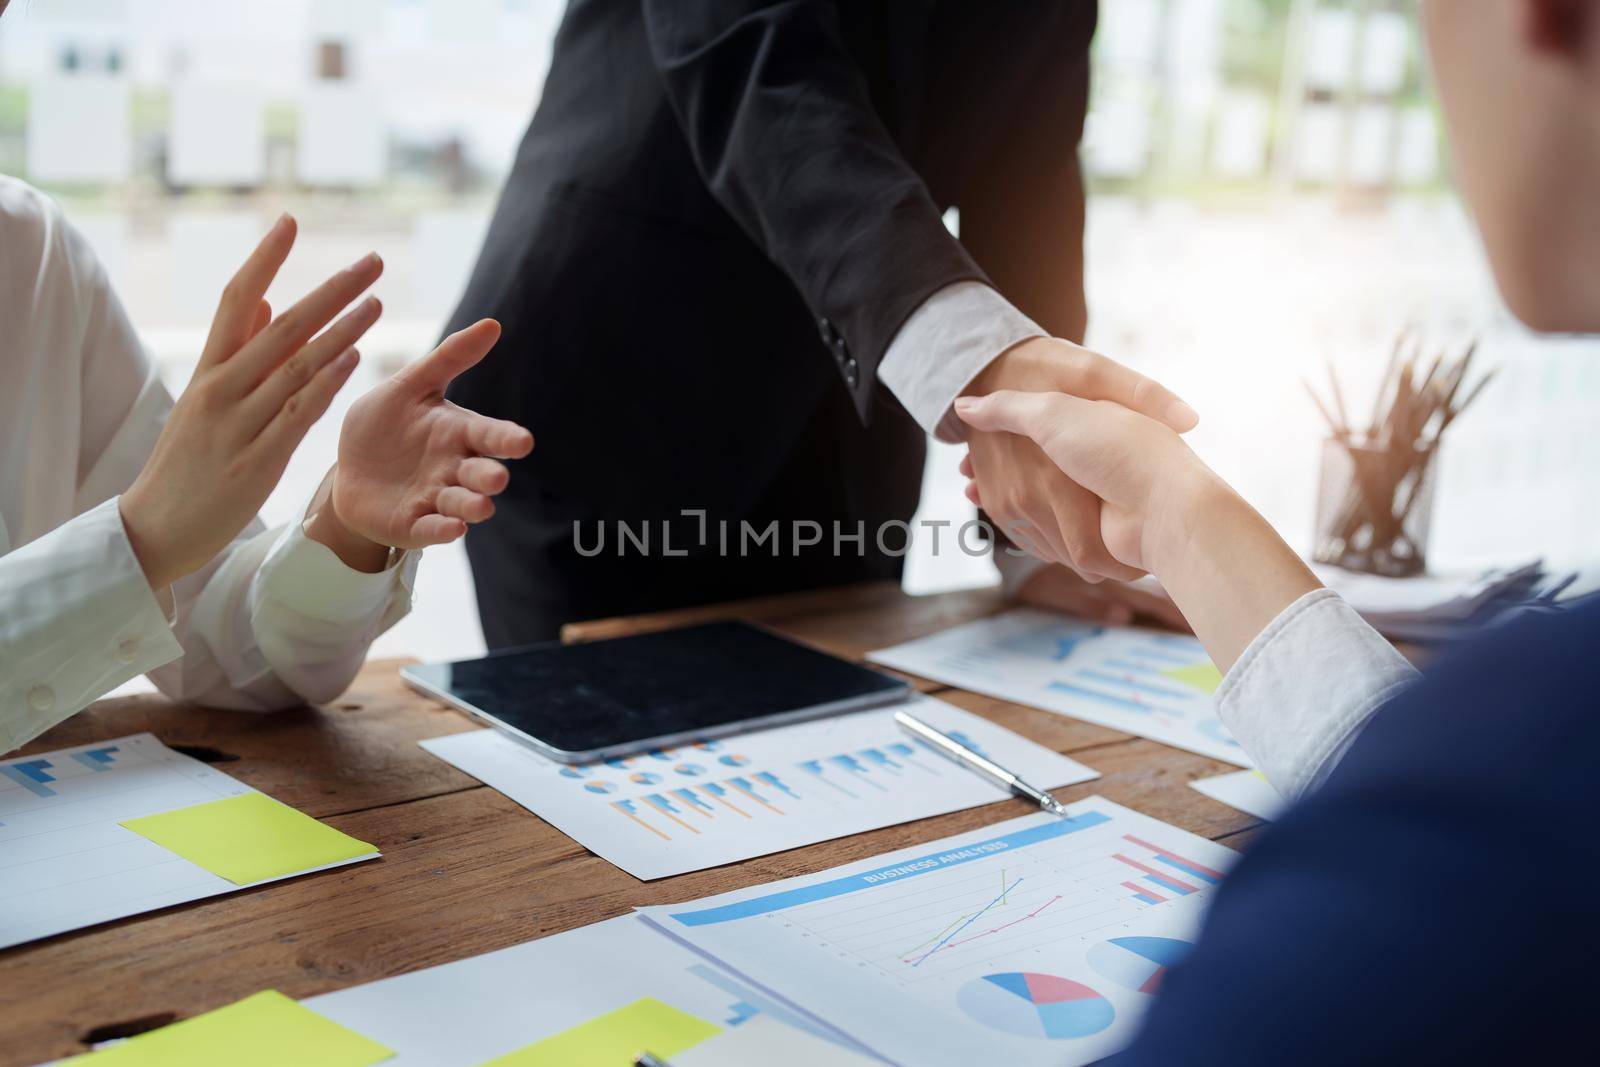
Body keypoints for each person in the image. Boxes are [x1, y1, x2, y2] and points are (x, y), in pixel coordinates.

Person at [956, 0, 1598, 1058]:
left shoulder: (1521, 778)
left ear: (1540, 15)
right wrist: (1172, 505)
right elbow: (1401, 769)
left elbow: (1455, 839)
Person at [442, 0, 1197, 646]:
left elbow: (1027, 167)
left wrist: (1041, 537)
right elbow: (754, 61)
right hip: (614, 394)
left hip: (850, 427)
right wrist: (974, 359)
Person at [0, 181, 534, 755]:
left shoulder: (27, 249)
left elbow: (228, 660)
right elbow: (151, 545)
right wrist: (141, 542)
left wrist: (346, 531)